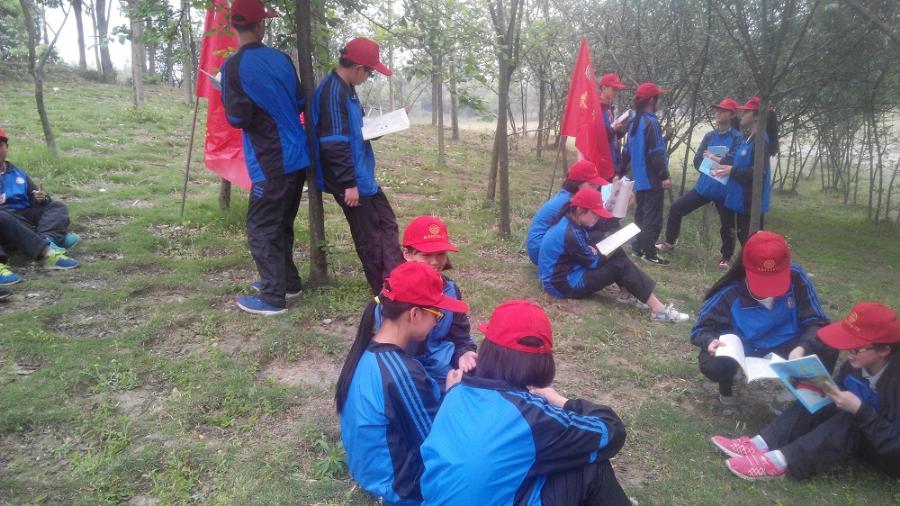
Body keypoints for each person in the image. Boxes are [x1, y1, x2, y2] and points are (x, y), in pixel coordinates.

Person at [420, 300, 630, 505]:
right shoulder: (530, 416)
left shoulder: (456, 391)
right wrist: (561, 401)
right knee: (591, 466)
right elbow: (610, 430)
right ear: (542, 360)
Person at [711, 301, 900, 481]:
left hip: (889, 454)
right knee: (821, 398)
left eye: (856, 349)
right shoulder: (858, 364)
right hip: (864, 434)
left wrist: (860, 411)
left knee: (851, 419)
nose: (849, 352)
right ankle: (761, 443)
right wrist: (820, 387)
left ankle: (782, 462)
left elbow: (894, 445)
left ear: (884, 350)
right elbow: (839, 390)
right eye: (848, 345)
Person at [335, 261, 469, 505]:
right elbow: (435, 443)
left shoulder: (368, 350)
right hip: (397, 485)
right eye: (437, 315)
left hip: (368, 468)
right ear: (415, 314)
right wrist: (453, 395)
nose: (437, 323)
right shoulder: (402, 374)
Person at [220, 0, 309, 316]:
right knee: (281, 223)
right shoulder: (282, 59)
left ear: (234, 26)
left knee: (261, 227)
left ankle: (273, 297)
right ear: (261, 25)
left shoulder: (232, 67)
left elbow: (238, 118)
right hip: (298, 156)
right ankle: (288, 283)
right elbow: (300, 101)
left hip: (271, 160)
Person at [691, 231, 836, 407]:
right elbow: (700, 330)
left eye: (776, 280)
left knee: (829, 340)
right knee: (713, 364)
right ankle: (731, 379)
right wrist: (709, 341)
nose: (770, 290)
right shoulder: (729, 292)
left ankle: (796, 393)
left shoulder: (797, 277)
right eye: (762, 282)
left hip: (788, 344)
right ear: (746, 269)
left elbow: (817, 321)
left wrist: (802, 347)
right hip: (748, 348)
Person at [312, 37, 403, 294]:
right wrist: (348, 184)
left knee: (387, 223)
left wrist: (386, 125)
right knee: (369, 237)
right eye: (370, 72)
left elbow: (357, 130)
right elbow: (333, 144)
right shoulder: (333, 93)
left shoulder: (348, 89)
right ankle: (384, 291)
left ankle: (398, 279)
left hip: (362, 174)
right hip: (350, 180)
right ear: (358, 68)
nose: (369, 77)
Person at [538, 187, 690, 323]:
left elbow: (578, 246)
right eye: (595, 214)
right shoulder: (570, 233)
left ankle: (627, 292)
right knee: (620, 265)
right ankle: (659, 310)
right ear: (580, 210)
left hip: (561, 274)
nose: (597, 217)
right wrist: (608, 248)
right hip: (563, 285)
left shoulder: (569, 220)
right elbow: (593, 263)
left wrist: (595, 248)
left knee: (610, 247)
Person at [375, 215, 477, 386]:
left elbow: (460, 335)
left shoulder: (450, 290)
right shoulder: (394, 294)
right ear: (406, 254)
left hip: (444, 370)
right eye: (427, 255)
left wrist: (464, 353)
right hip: (406, 375)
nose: (435, 261)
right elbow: (389, 348)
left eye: (441, 254)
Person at [656, 98, 742, 268]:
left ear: (732, 115)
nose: (718, 113)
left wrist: (713, 159)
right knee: (676, 208)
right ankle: (669, 243)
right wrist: (714, 164)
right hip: (705, 187)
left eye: (723, 111)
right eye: (717, 110)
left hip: (724, 190)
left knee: (727, 225)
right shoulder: (710, 136)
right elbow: (697, 160)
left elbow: (734, 161)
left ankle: (726, 257)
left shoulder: (737, 138)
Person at [0, 127, 80, 281]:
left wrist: (41, 198)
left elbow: (35, 198)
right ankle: (47, 252)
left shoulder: (17, 173)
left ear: (6, 147)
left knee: (57, 207)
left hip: (24, 217)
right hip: (4, 223)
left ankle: (47, 240)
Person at [713, 96, 778, 245]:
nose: (742, 115)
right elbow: (737, 160)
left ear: (756, 117)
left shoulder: (760, 141)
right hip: (740, 199)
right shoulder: (748, 138)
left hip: (751, 202)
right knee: (742, 239)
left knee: (751, 242)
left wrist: (732, 171)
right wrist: (716, 159)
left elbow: (758, 173)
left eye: (747, 112)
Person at [621, 83, 672, 265]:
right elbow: (656, 152)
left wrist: (621, 170)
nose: (660, 101)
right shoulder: (651, 122)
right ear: (651, 100)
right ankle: (650, 253)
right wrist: (664, 176)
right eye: (659, 98)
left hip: (639, 177)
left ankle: (637, 248)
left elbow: (627, 150)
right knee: (652, 218)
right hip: (652, 178)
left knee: (641, 215)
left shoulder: (634, 120)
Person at [526, 160, 608, 265]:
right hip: (540, 251)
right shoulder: (570, 202)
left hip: (540, 247)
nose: (596, 189)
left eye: (597, 186)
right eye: (592, 185)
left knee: (594, 233)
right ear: (578, 184)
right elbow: (573, 231)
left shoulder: (568, 196)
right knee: (596, 235)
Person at [598, 72, 629, 175]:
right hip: (602, 162)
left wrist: (621, 129)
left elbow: (612, 136)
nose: (616, 93)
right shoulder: (598, 108)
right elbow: (598, 138)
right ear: (603, 88)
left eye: (617, 90)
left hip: (613, 159)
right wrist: (613, 129)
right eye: (614, 89)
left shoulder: (608, 108)